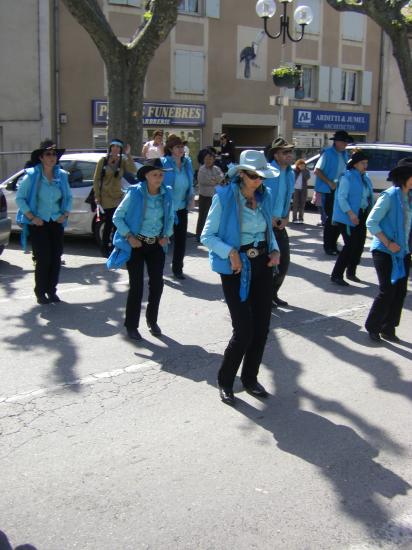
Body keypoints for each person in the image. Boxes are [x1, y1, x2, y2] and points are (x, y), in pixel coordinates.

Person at [201, 150, 280, 406]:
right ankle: (225, 380)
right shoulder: (224, 197)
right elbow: (207, 236)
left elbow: (268, 229)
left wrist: (275, 248)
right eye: (255, 176)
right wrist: (230, 252)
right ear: (242, 174)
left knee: (262, 328)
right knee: (244, 330)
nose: (259, 181)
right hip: (236, 267)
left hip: (262, 264)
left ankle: (250, 379)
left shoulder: (263, 197)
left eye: (262, 177)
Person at [107, 158, 174, 341]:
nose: (159, 178)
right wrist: (129, 236)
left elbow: (170, 217)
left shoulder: (167, 193)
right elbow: (117, 217)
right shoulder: (135, 193)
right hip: (136, 244)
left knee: (157, 285)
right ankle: (131, 325)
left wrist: (166, 234)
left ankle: (152, 321)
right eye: (155, 174)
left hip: (156, 245)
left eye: (161, 174)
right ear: (146, 176)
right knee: (136, 286)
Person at [15, 139, 72, 304]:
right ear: (41, 157)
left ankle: (52, 291)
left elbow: (68, 197)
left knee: (56, 257)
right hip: (38, 223)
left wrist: (65, 213)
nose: (52, 157)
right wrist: (32, 217)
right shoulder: (32, 176)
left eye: (54, 154)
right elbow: (20, 198)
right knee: (44, 258)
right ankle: (40, 292)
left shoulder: (61, 175)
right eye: (48, 154)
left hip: (56, 221)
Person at [364, 157, 412, 343]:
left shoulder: (409, 197)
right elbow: (371, 222)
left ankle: (388, 327)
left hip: (403, 251)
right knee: (387, 290)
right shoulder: (390, 196)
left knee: (400, 291)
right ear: (405, 177)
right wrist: (389, 242)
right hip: (384, 250)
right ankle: (373, 326)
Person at [330, 149, 374, 286]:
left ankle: (351, 272)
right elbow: (341, 198)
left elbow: (368, 196)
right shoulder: (347, 177)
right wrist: (351, 214)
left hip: (361, 213)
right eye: (362, 163)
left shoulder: (365, 177)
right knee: (350, 246)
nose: (365, 166)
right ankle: (336, 275)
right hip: (348, 215)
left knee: (359, 245)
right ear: (354, 164)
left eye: (366, 163)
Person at [264, 137, 295, 308]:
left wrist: (286, 217)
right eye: (285, 152)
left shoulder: (290, 173)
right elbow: (259, 198)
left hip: (280, 223)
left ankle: (273, 293)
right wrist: (269, 218)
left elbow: (287, 198)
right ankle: (265, 296)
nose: (290, 155)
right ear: (276, 155)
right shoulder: (268, 172)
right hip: (265, 224)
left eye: (290, 151)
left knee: (283, 263)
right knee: (267, 264)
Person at [93, 139, 137, 257]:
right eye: (114, 147)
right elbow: (96, 179)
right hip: (106, 196)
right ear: (110, 148)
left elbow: (133, 170)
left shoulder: (122, 161)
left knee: (117, 223)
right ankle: (104, 247)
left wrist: (128, 154)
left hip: (118, 196)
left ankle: (115, 247)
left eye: (118, 147)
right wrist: (97, 196)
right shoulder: (103, 161)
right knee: (108, 222)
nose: (116, 149)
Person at [314, 130, 353, 255]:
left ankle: (333, 245)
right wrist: (329, 182)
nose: (345, 144)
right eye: (343, 142)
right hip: (329, 190)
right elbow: (317, 170)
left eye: (346, 142)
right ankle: (328, 246)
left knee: (338, 219)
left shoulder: (344, 154)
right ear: (336, 142)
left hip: (339, 190)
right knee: (331, 219)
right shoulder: (328, 153)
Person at [161, 134, 194, 280]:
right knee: (163, 239)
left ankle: (177, 269)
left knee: (181, 240)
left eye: (182, 146)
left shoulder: (187, 163)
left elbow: (190, 182)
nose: (181, 149)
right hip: (167, 208)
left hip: (181, 207)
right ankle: (158, 268)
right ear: (170, 149)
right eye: (177, 147)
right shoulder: (164, 163)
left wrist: (191, 197)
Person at [195, 147, 224, 241]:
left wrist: (215, 179)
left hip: (215, 196)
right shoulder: (202, 169)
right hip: (204, 196)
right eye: (207, 158)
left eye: (211, 159)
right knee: (202, 216)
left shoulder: (216, 168)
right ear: (204, 159)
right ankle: (199, 235)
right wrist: (215, 180)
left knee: (214, 216)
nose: (209, 160)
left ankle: (212, 235)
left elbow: (222, 179)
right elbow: (204, 181)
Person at [292, 158, 310, 223]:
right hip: (295, 189)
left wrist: (303, 171)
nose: (302, 166)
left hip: (303, 189)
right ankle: (294, 219)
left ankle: (301, 218)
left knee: (302, 204)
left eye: (303, 165)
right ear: (297, 165)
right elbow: (292, 179)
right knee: (295, 204)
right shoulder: (294, 171)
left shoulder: (306, 171)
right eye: (300, 165)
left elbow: (307, 178)